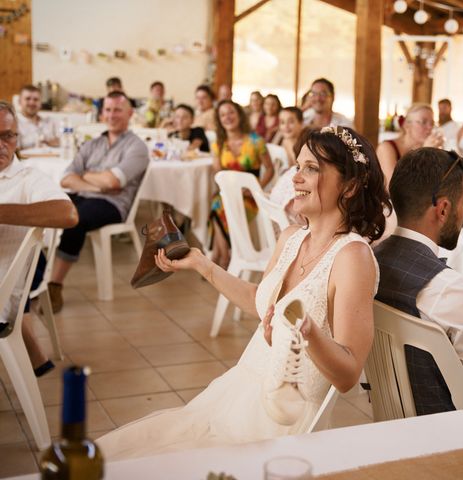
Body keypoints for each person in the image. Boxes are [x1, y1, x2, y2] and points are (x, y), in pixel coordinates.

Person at [96, 125, 390, 460]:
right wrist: (202, 265)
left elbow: (349, 373)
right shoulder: (292, 238)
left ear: (350, 186)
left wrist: (306, 332)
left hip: (278, 420)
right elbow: (258, 300)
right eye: (297, 166)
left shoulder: (352, 257)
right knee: (121, 456)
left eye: (311, 169)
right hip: (237, 394)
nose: (295, 177)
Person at [374, 147, 463, 413]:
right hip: (448, 432)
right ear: (444, 209)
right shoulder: (447, 288)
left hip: (388, 416)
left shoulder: (369, 260)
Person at [47, 92, 150, 312]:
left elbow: (113, 182)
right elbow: (66, 177)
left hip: (113, 204)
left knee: (75, 219)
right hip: (87, 195)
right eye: (108, 110)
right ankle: (34, 279)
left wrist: (85, 175)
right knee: (46, 209)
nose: (112, 115)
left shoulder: (137, 147)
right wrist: (96, 184)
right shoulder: (91, 144)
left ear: (130, 113)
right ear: (102, 114)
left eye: (118, 110)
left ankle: (54, 285)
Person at [0, 101, 78, 376]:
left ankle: (31, 350)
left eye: (7, 136)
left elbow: (68, 214)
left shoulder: (27, 177)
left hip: (6, 293)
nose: (1, 145)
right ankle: (33, 353)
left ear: (16, 137)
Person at [209, 100, 275, 268]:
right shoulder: (218, 144)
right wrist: (229, 190)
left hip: (249, 196)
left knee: (217, 205)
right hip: (229, 194)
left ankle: (220, 256)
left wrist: (255, 188)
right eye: (222, 115)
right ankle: (224, 254)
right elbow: (217, 173)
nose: (227, 117)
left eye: (231, 112)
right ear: (219, 120)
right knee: (218, 202)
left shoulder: (256, 141)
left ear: (239, 114)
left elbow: (269, 169)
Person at [376, 103, 444, 190]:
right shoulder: (386, 148)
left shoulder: (429, 148)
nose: (430, 127)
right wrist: (424, 153)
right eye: (423, 122)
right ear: (407, 125)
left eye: (432, 123)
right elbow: (393, 189)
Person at [16, 85, 59, 149]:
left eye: (36, 99)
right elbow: (15, 150)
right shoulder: (14, 124)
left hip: (53, 158)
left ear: (40, 103)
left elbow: (63, 141)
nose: (32, 102)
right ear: (19, 101)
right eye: (28, 99)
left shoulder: (50, 121)